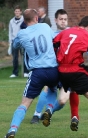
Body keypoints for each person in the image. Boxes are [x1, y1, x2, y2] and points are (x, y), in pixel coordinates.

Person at [4, 9, 59, 138]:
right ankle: (49, 109)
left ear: (24, 20)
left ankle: (12, 130)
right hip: (53, 70)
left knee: (25, 103)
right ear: (36, 18)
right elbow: (56, 39)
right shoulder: (45, 26)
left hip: (37, 72)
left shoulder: (22, 33)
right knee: (53, 89)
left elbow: (15, 46)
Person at [30, 9, 80, 132]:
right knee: (47, 88)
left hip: (67, 70)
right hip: (53, 68)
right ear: (56, 20)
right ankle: (36, 115)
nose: (63, 22)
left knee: (62, 101)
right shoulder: (51, 34)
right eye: (61, 19)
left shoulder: (71, 34)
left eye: (65, 19)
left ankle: (48, 112)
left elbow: (82, 42)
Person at [8, 5, 29, 78]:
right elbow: (10, 32)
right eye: (16, 11)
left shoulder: (24, 20)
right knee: (15, 58)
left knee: (25, 56)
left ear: (20, 12)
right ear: (14, 12)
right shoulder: (11, 21)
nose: (17, 12)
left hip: (22, 40)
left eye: (18, 11)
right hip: (14, 40)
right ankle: (15, 73)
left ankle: (26, 72)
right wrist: (10, 43)